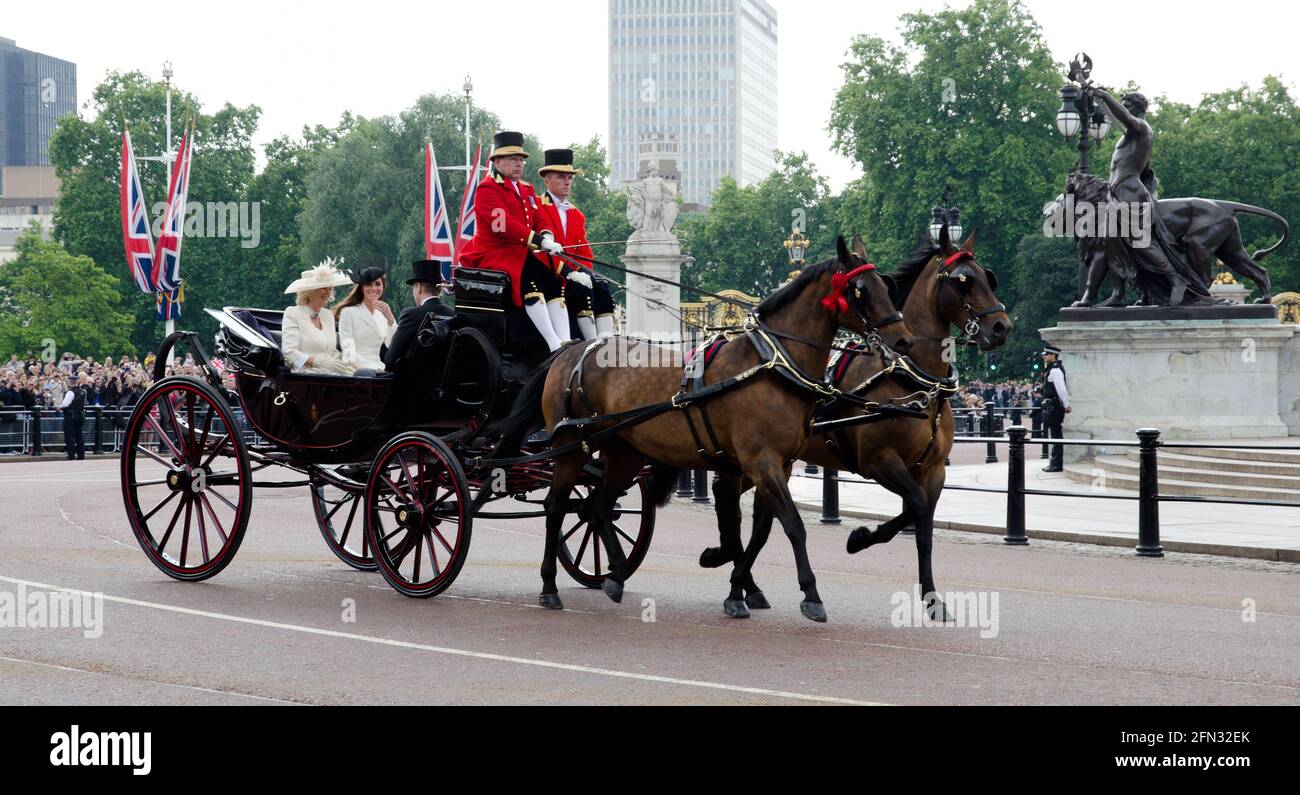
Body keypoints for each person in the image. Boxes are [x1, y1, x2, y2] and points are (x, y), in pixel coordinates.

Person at [457, 130, 573, 352]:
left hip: (522, 251)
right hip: (496, 253)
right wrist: (537, 239)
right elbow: (503, 226)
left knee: (554, 279)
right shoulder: (488, 188)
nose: (518, 164)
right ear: (497, 161)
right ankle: (552, 342)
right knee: (529, 278)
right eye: (512, 159)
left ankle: (566, 340)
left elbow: (539, 217)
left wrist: (547, 235)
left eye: (520, 160)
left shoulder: (527, 188)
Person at [535, 148, 610, 340]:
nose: (567, 182)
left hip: (574, 273)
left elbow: (584, 252)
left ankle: (607, 340)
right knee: (582, 289)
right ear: (547, 180)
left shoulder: (577, 214)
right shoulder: (537, 207)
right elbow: (538, 251)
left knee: (601, 285)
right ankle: (591, 343)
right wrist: (569, 273)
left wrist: (587, 272)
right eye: (561, 177)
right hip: (550, 274)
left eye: (569, 177)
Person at [281, 258, 357, 375]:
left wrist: (345, 363)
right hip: (306, 375)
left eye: (330, 288)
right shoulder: (293, 313)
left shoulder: (327, 315)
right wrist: (318, 362)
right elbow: (289, 353)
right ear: (309, 293)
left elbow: (331, 351)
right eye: (323, 288)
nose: (328, 292)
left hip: (331, 373)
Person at [382, 260, 457, 372]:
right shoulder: (453, 315)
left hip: (412, 384)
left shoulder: (411, 315)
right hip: (443, 384)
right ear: (439, 288)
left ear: (419, 287)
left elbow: (390, 360)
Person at [336, 260, 397, 372]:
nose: (374, 288)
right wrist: (372, 368)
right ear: (362, 288)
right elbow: (348, 352)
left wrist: (391, 320)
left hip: (378, 367)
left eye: (378, 284)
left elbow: (392, 345)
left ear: (383, 286)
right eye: (369, 284)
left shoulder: (383, 314)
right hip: (354, 369)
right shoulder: (348, 313)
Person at [1041, 343, 1071, 472]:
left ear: (1053, 355)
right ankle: (1054, 462)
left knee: (1056, 435)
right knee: (1054, 435)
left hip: (1054, 407)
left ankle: (1057, 464)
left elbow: (1062, 390)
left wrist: (1066, 404)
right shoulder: (1052, 369)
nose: (1044, 356)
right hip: (1051, 406)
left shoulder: (1055, 370)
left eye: (1047, 354)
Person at [60, 373, 89, 460]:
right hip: (80, 416)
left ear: (70, 382)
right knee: (79, 436)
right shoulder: (83, 392)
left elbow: (65, 404)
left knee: (70, 437)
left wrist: (58, 406)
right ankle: (81, 455)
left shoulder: (70, 392)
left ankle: (71, 455)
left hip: (71, 416)